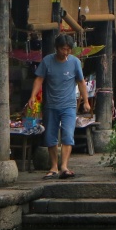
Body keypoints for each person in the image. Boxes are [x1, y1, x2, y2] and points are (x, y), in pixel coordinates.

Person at [28, 34, 90, 179]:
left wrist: (86, 101)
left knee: (68, 135)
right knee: (50, 136)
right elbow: (39, 79)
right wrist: (32, 96)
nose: (66, 52)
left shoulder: (75, 62)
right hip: (51, 105)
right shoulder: (47, 61)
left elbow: (81, 82)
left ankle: (64, 166)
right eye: (63, 49)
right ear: (57, 48)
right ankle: (54, 166)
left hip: (69, 105)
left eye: (68, 49)